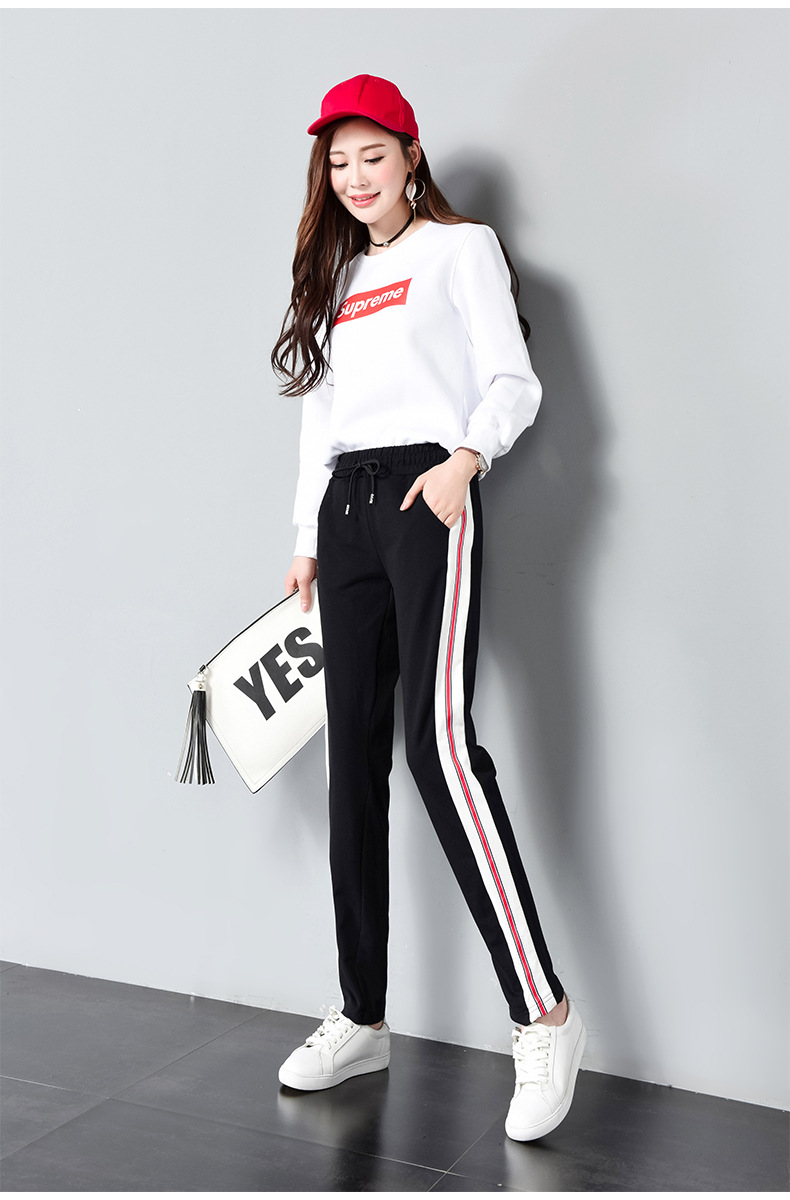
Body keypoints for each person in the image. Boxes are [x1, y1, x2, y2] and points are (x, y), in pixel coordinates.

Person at [271, 74, 586, 1142]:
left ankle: (543, 1014)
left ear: (411, 156)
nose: (355, 177)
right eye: (338, 162)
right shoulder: (338, 276)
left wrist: (464, 461)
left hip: (425, 496)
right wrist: (307, 540)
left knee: (439, 747)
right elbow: (318, 421)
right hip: (346, 511)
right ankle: (362, 1014)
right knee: (351, 766)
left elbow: (513, 381)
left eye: (373, 155)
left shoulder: (462, 249)